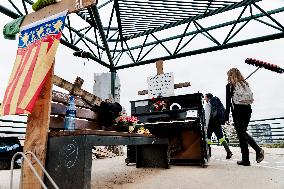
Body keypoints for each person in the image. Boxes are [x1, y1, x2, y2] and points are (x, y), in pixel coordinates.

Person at [225, 68, 264, 166]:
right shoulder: (245, 84)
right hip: (247, 110)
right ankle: (246, 160)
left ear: (231, 75)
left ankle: (258, 150)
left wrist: (226, 117)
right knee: (242, 134)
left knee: (241, 134)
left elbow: (228, 102)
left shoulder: (230, 86)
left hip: (237, 112)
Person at [204, 93, 233, 159]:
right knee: (221, 138)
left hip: (211, 123)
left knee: (208, 138)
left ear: (208, 98)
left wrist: (206, 125)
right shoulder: (217, 102)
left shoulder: (208, 104)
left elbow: (207, 116)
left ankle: (207, 154)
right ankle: (228, 151)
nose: (204, 99)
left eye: (205, 97)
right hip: (217, 122)